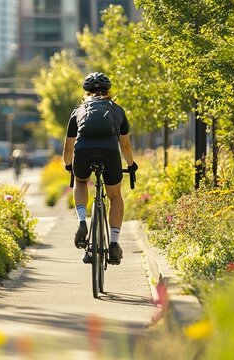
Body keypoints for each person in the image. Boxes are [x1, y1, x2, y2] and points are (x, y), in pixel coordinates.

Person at [62, 72, 138, 265]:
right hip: (110, 153)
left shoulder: (78, 111)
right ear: (108, 91)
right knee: (115, 196)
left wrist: (69, 164)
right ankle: (113, 244)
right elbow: (126, 145)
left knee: (80, 181)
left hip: (83, 152)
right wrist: (131, 165)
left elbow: (68, 146)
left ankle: (81, 222)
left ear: (86, 93)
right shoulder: (118, 110)